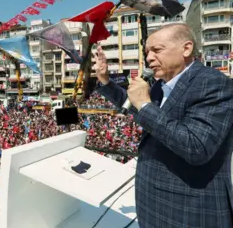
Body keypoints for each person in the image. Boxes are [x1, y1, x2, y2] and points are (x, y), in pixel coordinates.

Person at [94, 23, 233, 227]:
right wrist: (106, 82)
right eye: (147, 51)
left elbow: (197, 147)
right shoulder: (160, 84)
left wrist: (145, 104)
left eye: (157, 50)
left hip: (188, 211)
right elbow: (137, 109)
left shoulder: (213, 83)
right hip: (153, 206)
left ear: (186, 48)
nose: (149, 58)